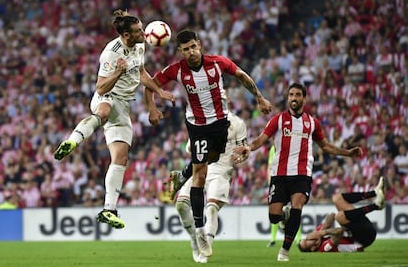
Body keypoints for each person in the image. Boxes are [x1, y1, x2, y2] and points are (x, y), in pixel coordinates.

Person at [145, 29, 273, 257]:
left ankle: (181, 176)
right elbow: (151, 84)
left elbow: (242, 76)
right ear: (180, 51)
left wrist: (260, 98)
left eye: (193, 47)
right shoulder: (177, 70)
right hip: (197, 126)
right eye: (186, 49)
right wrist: (153, 107)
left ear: (200, 45)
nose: (191, 52)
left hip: (220, 124)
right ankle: (201, 230)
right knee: (200, 174)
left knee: (210, 159)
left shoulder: (218, 63)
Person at [53, 10, 175, 229]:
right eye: (139, 31)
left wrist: (158, 92)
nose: (144, 33)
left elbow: (142, 72)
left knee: (121, 157)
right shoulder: (111, 52)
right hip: (107, 95)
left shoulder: (139, 45)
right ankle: (73, 141)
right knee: (102, 113)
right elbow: (100, 87)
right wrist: (118, 73)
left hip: (124, 105)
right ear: (126, 36)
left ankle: (108, 210)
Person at [233, 83, 363, 261]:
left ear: (304, 98)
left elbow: (325, 146)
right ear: (288, 98)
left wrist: (347, 153)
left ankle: (284, 251)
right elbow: (260, 140)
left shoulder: (312, 123)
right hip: (279, 174)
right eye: (291, 95)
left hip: (302, 174)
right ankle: (283, 217)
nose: (294, 98)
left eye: (297, 95)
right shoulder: (278, 120)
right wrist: (248, 148)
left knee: (297, 207)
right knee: (274, 217)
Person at [176, 111, 247, 263]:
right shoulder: (200, 121)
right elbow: (191, 149)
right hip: (199, 168)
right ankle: (195, 241)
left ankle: (205, 249)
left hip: (221, 171)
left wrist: (242, 156)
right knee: (181, 205)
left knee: (211, 209)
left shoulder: (237, 123)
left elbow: (244, 149)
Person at [298, 177, 386, 252]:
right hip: (365, 238)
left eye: (305, 239)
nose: (307, 238)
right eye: (306, 242)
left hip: (359, 229)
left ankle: (374, 192)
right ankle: (375, 206)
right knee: (340, 216)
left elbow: (331, 216)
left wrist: (320, 231)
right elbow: (339, 231)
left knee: (336, 198)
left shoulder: (318, 235)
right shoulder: (324, 248)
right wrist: (321, 233)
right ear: (313, 248)